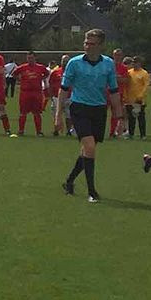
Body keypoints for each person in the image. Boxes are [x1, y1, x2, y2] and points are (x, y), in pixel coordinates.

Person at [56, 29, 124, 203]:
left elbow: (114, 92)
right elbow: (63, 90)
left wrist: (120, 117)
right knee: (90, 147)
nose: (87, 46)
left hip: (99, 109)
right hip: (79, 108)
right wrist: (58, 115)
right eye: (86, 42)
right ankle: (92, 191)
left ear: (101, 46)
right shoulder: (74, 63)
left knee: (87, 150)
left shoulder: (108, 64)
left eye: (92, 43)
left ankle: (69, 181)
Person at [11, 51, 49, 135]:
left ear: (35, 58)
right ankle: (21, 130)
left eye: (31, 58)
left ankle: (39, 131)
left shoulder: (41, 67)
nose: (30, 60)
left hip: (37, 93)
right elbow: (14, 74)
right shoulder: (22, 67)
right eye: (28, 58)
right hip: (25, 93)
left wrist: (41, 78)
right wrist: (20, 79)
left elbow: (47, 73)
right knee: (23, 112)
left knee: (37, 112)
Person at [127, 56, 151, 139]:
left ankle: (143, 135)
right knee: (131, 118)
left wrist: (141, 95)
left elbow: (146, 85)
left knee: (141, 117)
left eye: (136, 62)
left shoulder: (144, 73)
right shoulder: (129, 72)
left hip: (140, 100)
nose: (134, 64)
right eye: (133, 62)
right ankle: (131, 134)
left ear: (140, 63)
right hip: (130, 99)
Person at [109, 49, 130, 138]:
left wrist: (115, 78)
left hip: (118, 93)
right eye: (116, 55)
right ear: (113, 56)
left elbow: (125, 80)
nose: (117, 57)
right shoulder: (108, 66)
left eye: (119, 55)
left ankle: (112, 132)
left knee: (115, 113)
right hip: (105, 92)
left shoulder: (124, 68)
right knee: (100, 112)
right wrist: (117, 78)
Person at [47, 54, 69, 136]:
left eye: (67, 61)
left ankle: (68, 131)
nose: (65, 63)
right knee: (56, 114)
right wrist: (51, 96)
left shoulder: (72, 71)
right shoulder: (55, 72)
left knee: (69, 115)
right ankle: (56, 130)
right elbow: (50, 84)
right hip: (56, 96)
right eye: (64, 61)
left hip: (69, 97)